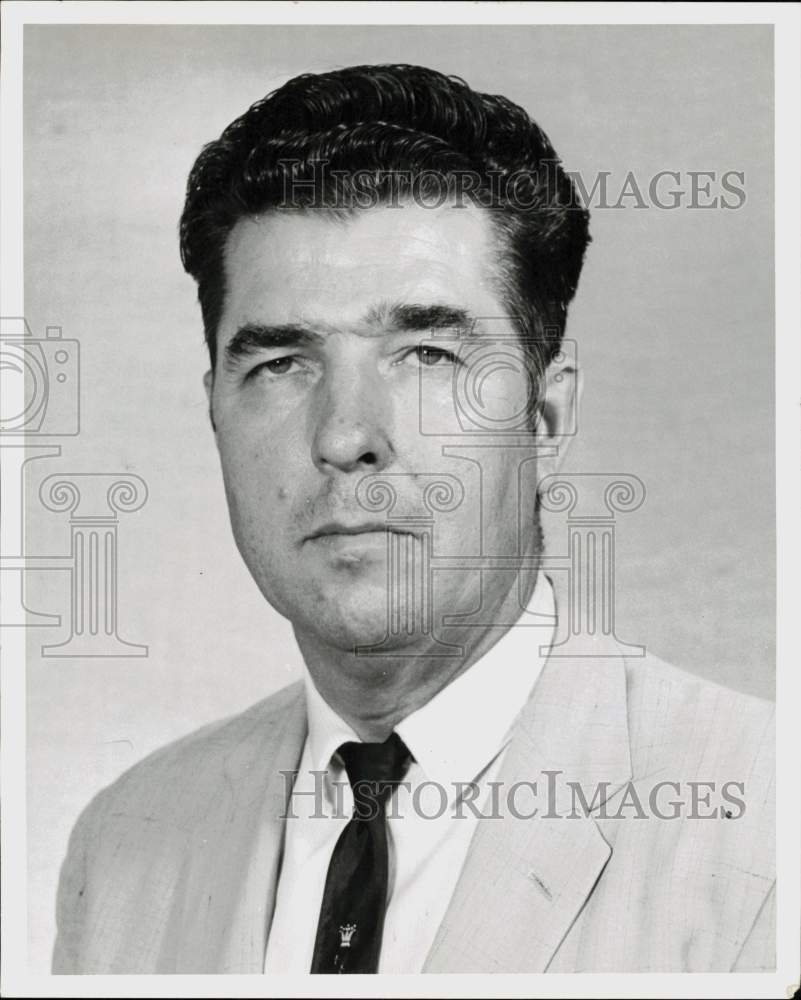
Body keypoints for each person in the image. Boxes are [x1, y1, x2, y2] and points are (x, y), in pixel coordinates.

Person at [52, 63, 774, 975]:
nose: (348, 435)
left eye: (427, 353)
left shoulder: (762, 822)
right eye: (279, 363)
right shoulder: (123, 847)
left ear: (543, 420)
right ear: (216, 412)